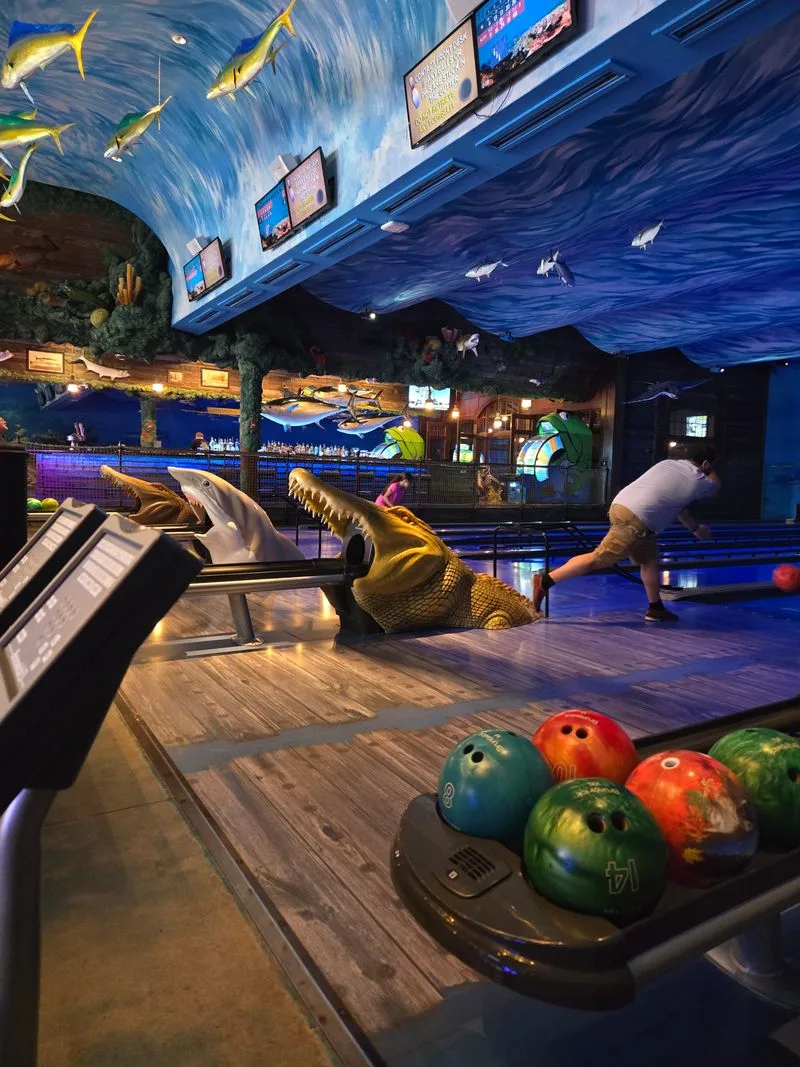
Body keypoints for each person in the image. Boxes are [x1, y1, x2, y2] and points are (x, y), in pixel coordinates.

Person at [533, 444, 720, 622]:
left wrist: (695, 528)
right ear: (705, 463)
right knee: (600, 558)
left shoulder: (668, 464)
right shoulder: (697, 479)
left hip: (624, 507)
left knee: (649, 560)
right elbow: (716, 485)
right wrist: (708, 470)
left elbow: (678, 507)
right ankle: (546, 581)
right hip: (637, 519)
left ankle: (656, 608)